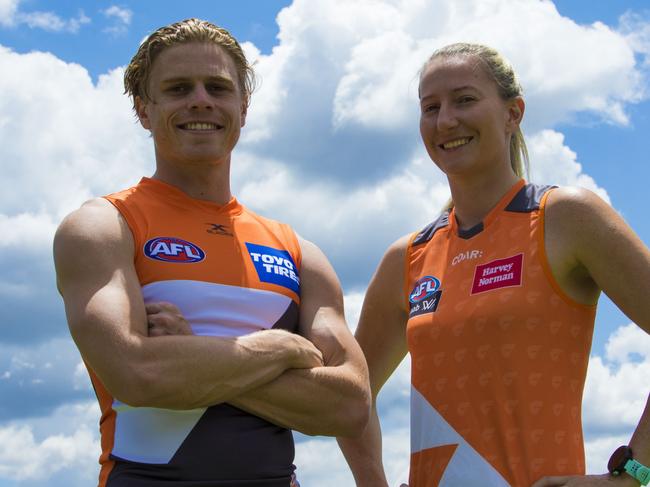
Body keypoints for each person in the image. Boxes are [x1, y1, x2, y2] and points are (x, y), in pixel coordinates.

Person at [53, 18, 370, 487]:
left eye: (218, 87)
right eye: (179, 88)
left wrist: (196, 353)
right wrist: (280, 347)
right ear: (144, 109)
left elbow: (349, 405)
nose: (200, 100)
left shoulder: (299, 252)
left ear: (243, 107)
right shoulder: (104, 226)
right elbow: (137, 375)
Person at [337, 43, 650, 487]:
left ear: (513, 113)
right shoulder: (406, 258)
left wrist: (633, 474)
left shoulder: (565, 217)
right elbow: (350, 397)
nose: (446, 120)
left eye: (464, 99)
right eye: (431, 107)